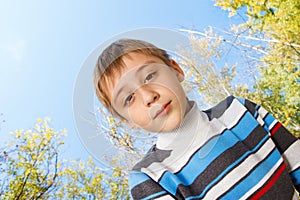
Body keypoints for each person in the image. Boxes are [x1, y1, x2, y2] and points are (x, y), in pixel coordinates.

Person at [94, 39, 300, 199]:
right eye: (129, 98)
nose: (149, 97)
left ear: (176, 70)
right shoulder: (148, 176)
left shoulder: (239, 110)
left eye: (149, 76)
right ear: (128, 121)